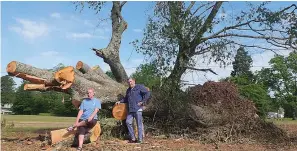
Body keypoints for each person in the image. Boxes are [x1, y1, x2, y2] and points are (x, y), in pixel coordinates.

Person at [116, 78, 151, 143]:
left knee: (139, 124)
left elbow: (148, 93)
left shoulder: (139, 87)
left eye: (131, 81)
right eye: (129, 82)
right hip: (130, 110)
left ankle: (140, 139)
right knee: (128, 122)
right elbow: (126, 99)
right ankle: (133, 138)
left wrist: (143, 102)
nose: (130, 83)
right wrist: (120, 101)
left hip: (138, 109)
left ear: (134, 81)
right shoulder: (128, 90)